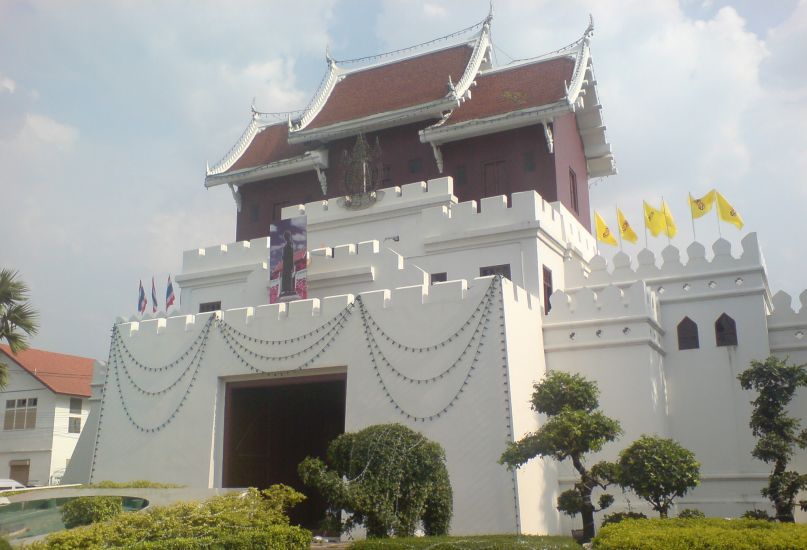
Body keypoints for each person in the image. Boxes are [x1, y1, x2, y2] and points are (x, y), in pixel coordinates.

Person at [280, 230, 295, 296]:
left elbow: (291, 256)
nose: (285, 237)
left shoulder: (289, 245)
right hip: (286, 264)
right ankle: (285, 290)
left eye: (285, 236)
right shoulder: (287, 245)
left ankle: (288, 290)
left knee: (288, 277)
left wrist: (291, 265)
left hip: (288, 265)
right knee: (285, 277)